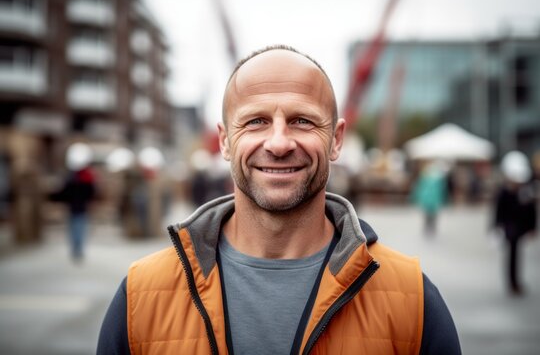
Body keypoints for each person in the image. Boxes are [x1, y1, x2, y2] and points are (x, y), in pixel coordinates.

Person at [98, 45, 460, 354]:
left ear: (336, 139)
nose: (279, 143)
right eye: (255, 121)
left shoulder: (412, 300)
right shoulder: (140, 297)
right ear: (225, 141)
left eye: (302, 121)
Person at [493, 151, 537, 296]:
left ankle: (515, 282)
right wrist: (497, 227)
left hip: (519, 228)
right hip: (510, 229)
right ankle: (513, 283)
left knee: (516, 255)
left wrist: (532, 228)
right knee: (513, 256)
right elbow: (498, 211)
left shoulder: (524, 192)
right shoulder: (505, 193)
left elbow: (531, 211)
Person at [412, 160, 448, 236]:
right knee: (433, 215)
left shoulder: (425, 176)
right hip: (435, 199)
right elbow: (443, 190)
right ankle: (432, 228)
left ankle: (427, 228)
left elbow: (419, 188)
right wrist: (445, 199)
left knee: (427, 214)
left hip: (427, 199)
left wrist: (415, 197)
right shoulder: (439, 177)